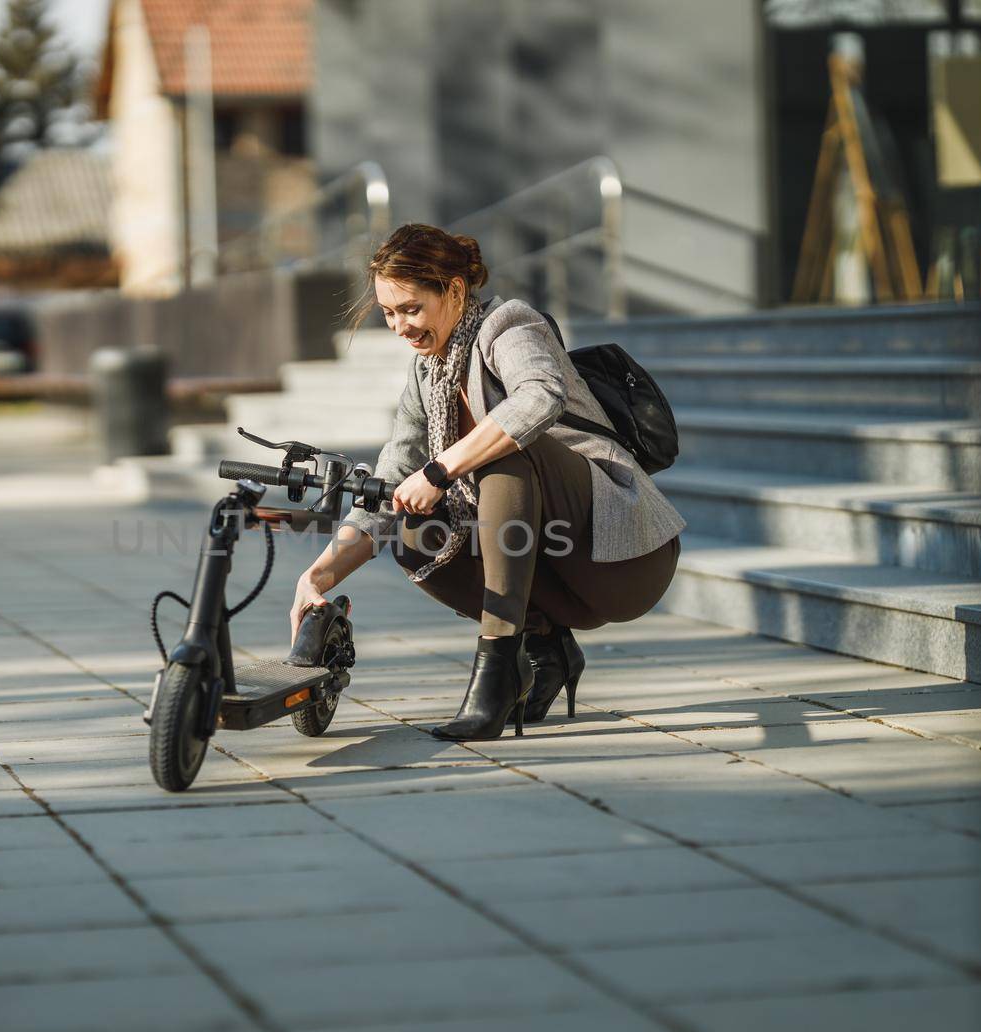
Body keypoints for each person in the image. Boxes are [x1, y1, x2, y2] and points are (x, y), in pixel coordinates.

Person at [290, 223, 686, 741]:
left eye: (411, 308)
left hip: (622, 556)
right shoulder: (427, 373)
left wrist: (439, 469)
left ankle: (497, 675)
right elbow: (390, 475)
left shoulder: (509, 325)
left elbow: (539, 397)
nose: (400, 327)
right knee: (413, 534)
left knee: (504, 454)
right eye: (388, 313)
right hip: (555, 566)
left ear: (454, 290)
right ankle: (545, 649)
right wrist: (318, 576)